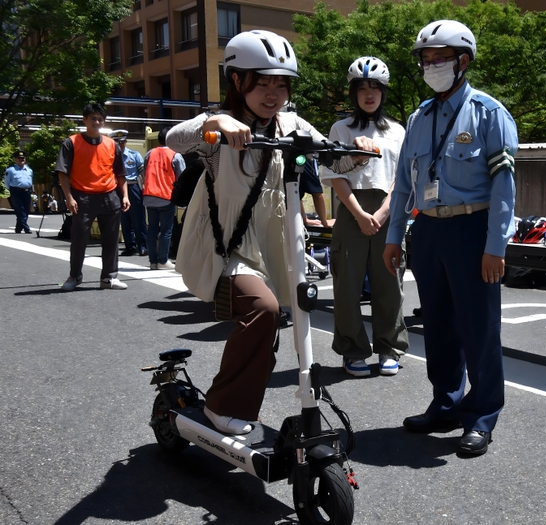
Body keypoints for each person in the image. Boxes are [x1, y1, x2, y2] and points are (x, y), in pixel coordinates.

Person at [167, 30, 376, 435]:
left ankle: (243, 406)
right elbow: (175, 139)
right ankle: (221, 405)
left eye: (281, 83)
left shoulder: (290, 122)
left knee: (281, 322)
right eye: (263, 82)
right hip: (227, 246)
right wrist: (215, 120)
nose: (273, 93)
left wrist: (356, 149)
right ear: (237, 80)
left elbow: (330, 158)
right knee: (262, 311)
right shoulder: (218, 130)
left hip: (277, 244)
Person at [383, 20, 518, 457]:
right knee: (438, 325)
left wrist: (495, 246)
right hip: (428, 230)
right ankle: (445, 403)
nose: (430, 65)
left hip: (470, 229)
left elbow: (504, 187)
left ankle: (481, 416)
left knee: (479, 329)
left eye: (439, 57)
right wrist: (393, 235)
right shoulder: (418, 117)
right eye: (425, 59)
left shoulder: (489, 113)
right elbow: (404, 183)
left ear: (463, 61)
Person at [321, 56, 409, 377]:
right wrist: (359, 213)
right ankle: (352, 349)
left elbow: (404, 175)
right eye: (362, 88)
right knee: (347, 284)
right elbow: (333, 175)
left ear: (384, 92)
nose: (369, 94)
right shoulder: (341, 129)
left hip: (389, 208)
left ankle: (389, 347)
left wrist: (385, 211)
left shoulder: (398, 131)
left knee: (390, 283)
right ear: (353, 93)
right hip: (351, 210)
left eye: (375, 87)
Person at [56, 103, 131, 291]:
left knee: (111, 240)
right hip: (83, 197)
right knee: (79, 238)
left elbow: (121, 174)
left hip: (109, 196)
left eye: (100, 119)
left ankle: (108, 278)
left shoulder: (112, 144)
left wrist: (125, 196)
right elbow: (62, 173)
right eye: (93, 118)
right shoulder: (71, 142)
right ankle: (75, 276)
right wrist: (69, 197)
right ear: (85, 120)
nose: (97, 122)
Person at [142, 127, 185, 269]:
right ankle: (163, 260)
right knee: (166, 231)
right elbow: (182, 178)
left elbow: (144, 173)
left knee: (152, 229)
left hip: (149, 196)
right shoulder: (175, 155)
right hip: (166, 196)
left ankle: (152, 261)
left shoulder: (150, 153)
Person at [110, 129, 147, 257]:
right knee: (124, 219)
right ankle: (129, 246)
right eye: (117, 142)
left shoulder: (134, 155)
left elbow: (143, 174)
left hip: (133, 187)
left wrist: (146, 189)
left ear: (126, 142)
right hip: (117, 189)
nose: (120, 145)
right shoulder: (110, 157)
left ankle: (142, 246)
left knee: (138, 218)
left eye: (123, 142)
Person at [4, 150, 34, 233]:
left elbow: (31, 181)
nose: (21, 159)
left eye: (23, 158)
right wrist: (11, 190)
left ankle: (18, 228)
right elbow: (6, 182)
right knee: (20, 211)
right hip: (16, 192)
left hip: (27, 192)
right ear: (15, 159)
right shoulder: (10, 170)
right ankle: (26, 228)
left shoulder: (29, 170)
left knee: (26, 210)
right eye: (19, 158)